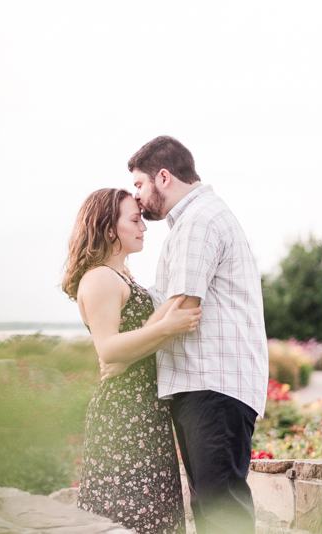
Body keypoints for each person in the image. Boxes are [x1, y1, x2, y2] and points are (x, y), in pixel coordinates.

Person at [106, 136, 268, 534]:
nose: (138, 197)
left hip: (213, 384)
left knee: (221, 510)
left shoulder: (199, 221)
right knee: (213, 510)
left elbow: (182, 304)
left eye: (140, 185)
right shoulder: (195, 220)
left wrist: (122, 355)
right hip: (206, 384)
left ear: (164, 176)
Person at [62, 188, 202, 534]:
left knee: (155, 518)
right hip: (123, 416)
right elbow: (108, 348)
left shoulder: (122, 276)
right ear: (110, 229)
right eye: (135, 220)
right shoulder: (99, 278)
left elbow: (136, 334)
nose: (144, 228)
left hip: (144, 412)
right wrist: (168, 327)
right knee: (132, 520)